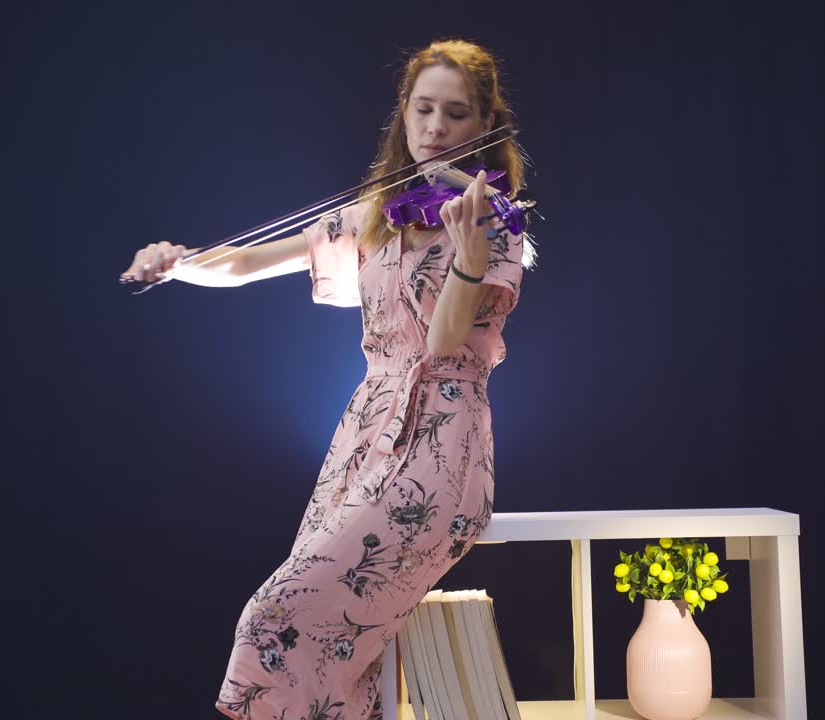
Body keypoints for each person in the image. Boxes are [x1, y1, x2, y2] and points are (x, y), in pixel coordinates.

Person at [119, 39, 534, 720]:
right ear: (403, 115)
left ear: (483, 125)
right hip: (362, 441)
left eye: (455, 114)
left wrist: (467, 256)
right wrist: (177, 262)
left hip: (441, 453)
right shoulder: (378, 216)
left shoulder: (496, 226)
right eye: (422, 109)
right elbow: (246, 264)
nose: (435, 128)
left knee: (274, 620)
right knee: (343, 661)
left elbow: (442, 342)